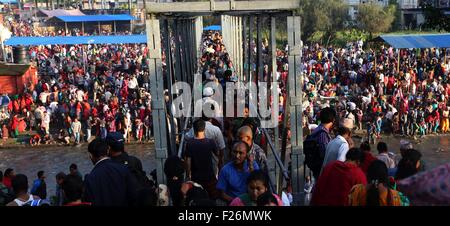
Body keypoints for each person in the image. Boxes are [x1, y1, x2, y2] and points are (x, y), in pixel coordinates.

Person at [83, 138, 137, 206]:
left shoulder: (90, 178)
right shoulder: (123, 169)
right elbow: (133, 195)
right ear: (108, 151)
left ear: (91, 156)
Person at [185, 119, 220, 200]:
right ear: (204, 129)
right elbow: (217, 153)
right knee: (212, 198)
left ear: (194, 129)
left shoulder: (190, 143)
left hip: (196, 177)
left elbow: (188, 161)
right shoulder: (210, 142)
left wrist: (188, 175)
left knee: (198, 198)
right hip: (210, 176)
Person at [304, 107, 336, 180]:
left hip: (316, 167)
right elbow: (325, 154)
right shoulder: (323, 134)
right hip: (321, 169)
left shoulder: (318, 129)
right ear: (333, 119)